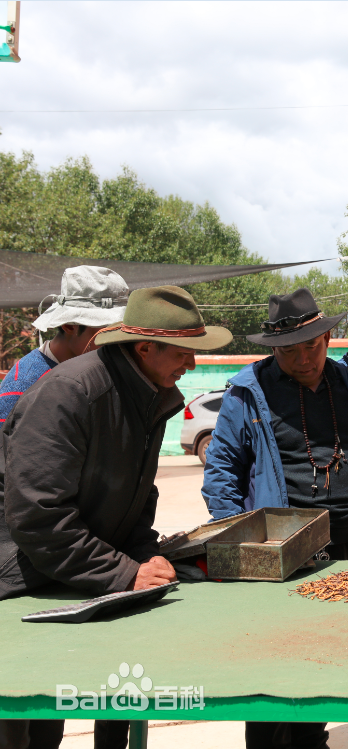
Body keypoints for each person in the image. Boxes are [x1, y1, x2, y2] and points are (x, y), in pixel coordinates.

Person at [0, 286, 230, 749]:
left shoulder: (150, 393)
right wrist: (124, 572)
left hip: (69, 582)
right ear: (145, 348)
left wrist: (145, 553)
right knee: (16, 727)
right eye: (185, 352)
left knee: (50, 725)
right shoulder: (70, 392)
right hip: (19, 587)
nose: (193, 364)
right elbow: (37, 514)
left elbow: (137, 496)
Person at [201, 288, 348, 749]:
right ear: (273, 349)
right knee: (273, 665)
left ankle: (313, 739)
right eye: (289, 351)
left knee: (325, 660)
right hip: (280, 551)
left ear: (327, 337)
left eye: (311, 346)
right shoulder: (247, 393)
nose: (303, 358)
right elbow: (221, 475)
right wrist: (241, 544)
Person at [0, 266, 129, 423]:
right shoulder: (25, 385)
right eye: (106, 333)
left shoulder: (103, 368)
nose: (115, 343)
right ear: (69, 325)